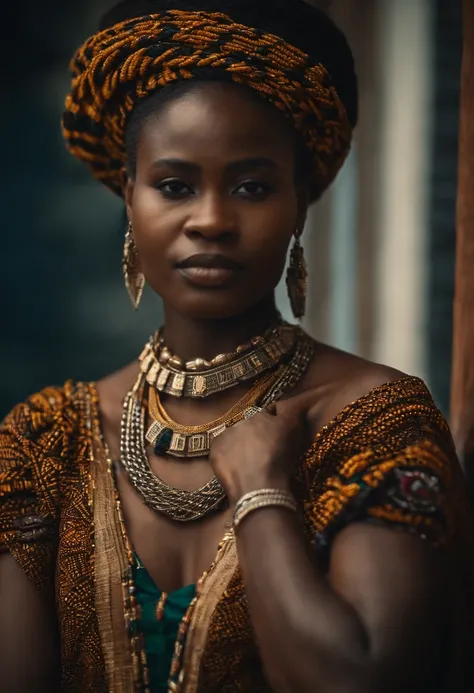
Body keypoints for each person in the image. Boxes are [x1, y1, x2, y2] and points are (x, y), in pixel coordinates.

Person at [0, 1, 472, 691]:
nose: (212, 219)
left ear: (299, 203)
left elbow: (358, 678)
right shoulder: (44, 442)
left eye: (251, 186)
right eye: (174, 185)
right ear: (129, 196)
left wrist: (261, 489)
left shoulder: (376, 421)